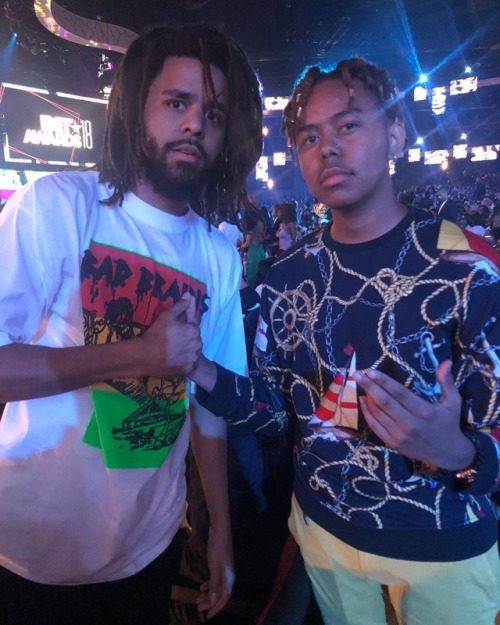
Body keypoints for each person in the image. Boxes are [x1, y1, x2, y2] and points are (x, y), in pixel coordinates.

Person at [189, 58, 500, 625]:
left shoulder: (467, 268)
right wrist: (200, 369)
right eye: (310, 136)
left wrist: (457, 452)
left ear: (396, 135)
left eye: (349, 125)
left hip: (444, 548)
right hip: (325, 540)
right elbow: (275, 413)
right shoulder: (287, 276)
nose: (327, 147)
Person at [0, 24, 262, 625]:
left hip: (148, 550)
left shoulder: (219, 254)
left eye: (214, 114)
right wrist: (137, 356)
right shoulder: (58, 207)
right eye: (178, 103)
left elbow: (209, 408)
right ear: (136, 108)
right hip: (26, 548)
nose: (196, 124)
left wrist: (219, 528)